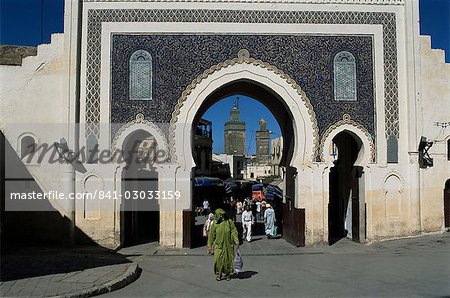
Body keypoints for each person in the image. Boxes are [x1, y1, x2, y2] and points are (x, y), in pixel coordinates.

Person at [207, 208, 239, 281]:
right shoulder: (215, 223)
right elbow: (211, 235)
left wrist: (236, 241)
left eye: (222, 215)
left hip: (228, 245)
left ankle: (228, 274)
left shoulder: (229, 222)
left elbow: (234, 231)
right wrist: (210, 245)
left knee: (228, 260)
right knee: (218, 259)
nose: (221, 216)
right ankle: (219, 273)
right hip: (218, 245)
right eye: (220, 215)